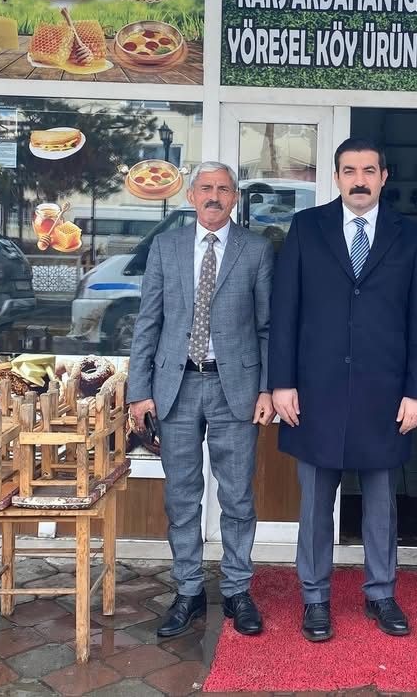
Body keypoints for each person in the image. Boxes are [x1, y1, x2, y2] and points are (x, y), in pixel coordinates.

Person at [269, 137, 417, 642]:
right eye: (349, 171)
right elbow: (285, 311)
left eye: (368, 171)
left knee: (381, 504)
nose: (358, 180)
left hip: (385, 393)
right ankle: (315, 598)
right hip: (314, 391)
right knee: (315, 505)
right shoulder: (306, 227)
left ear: (384, 177)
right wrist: (281, 383)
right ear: (337, 177)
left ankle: (381, 593)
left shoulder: (410, 235)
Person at [126, 161, 275, 639]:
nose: (214, 196)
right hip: (177, 386)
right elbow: (148, 320)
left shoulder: (256, 249)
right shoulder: (166, 247)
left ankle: (237, 590)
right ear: (191, 196)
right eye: (206, 188)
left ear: (235, 198)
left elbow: (267, 327)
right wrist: (139, 391)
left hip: (236, 389)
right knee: (182, 496)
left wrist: (266, 388)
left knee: (237, 496)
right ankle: (188, 591)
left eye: (224, 189)